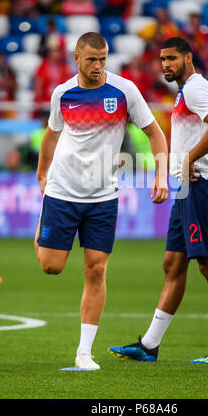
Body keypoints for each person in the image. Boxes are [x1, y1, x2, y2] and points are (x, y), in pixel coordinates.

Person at [34, 32, 169, 371]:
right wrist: (41, 174)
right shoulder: (62, 94)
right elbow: (51, 134)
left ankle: (84, 352)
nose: (98, 66)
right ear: (77, 58)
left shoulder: (124, 91)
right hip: (62, 192)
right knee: (51, 267)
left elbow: (154, 132)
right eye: (91, 59)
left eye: (103, 59)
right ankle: (42, 224)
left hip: (103, 196)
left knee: (96, 269)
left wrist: (161, 174)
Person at [108, 36, 208, 365]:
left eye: (171, 58)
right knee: (173, 264)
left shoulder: (195, 88)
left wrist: (191, 160)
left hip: (204, 188)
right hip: (188, 189)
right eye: (162, 59)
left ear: (188, 58)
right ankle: (149, 346)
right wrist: (197, 160)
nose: (165, 64)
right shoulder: (191, 90)